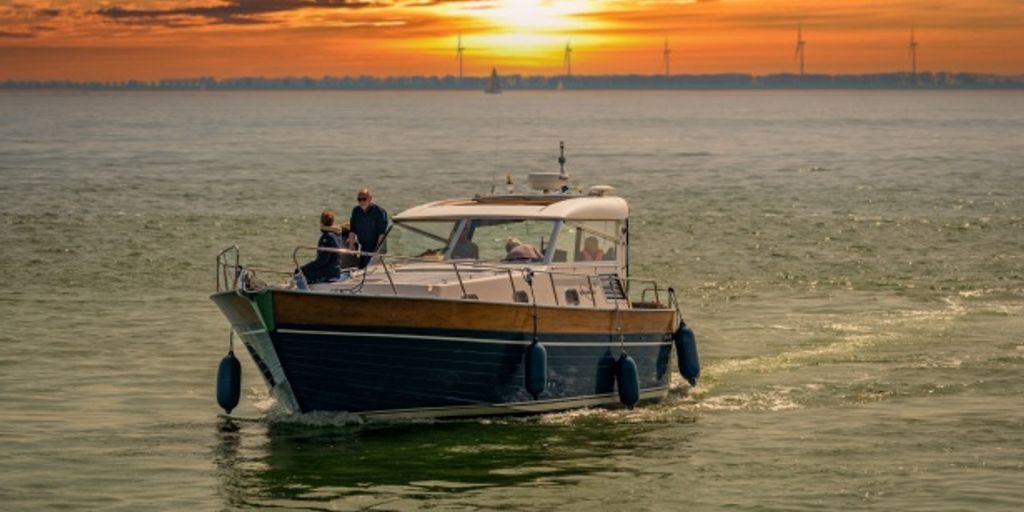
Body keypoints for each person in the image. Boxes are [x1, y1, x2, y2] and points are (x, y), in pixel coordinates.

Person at [298, 209, 346, 284]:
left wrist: (303, 269)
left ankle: (301, 294)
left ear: (321, 222)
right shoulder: (337, 234)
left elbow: (322, 260)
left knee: (299, 274)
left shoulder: (327, 237)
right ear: (333, 222)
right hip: (335, 271)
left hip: (328, 274)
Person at [349, 188, 388, 268]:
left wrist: (377, 251)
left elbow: (382, 233)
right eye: (359, 199)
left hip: (376, 247)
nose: (362, 202)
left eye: (364, 199)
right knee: (362, 268)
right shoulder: (356, 211)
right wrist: (351, 244)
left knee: (371, 270)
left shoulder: (379, 212)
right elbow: (352, 230)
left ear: (370, 199)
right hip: (363, 247)